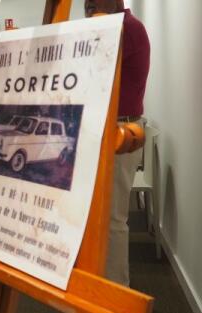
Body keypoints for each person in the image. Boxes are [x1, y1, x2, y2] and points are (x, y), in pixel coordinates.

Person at [85, 0, 151, 286]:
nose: (88, 10)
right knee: (103, 215)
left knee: (112, 219)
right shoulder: (118, 26)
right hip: (110, 127)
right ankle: (103, 285)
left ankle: (114, 297)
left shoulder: (124, 29)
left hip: (120, 129)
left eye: (91, 5)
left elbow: (90, 74)